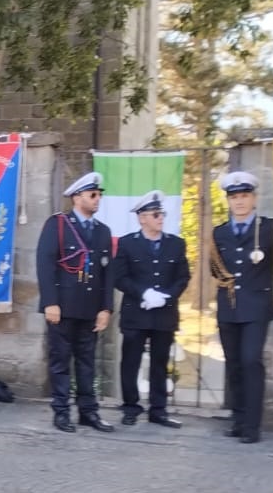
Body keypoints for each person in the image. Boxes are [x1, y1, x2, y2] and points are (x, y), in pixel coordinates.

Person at [35, 171, 115, 434]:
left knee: (87, 363)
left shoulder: (103, 231)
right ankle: (61, 412)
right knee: (60, 362)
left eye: (99, 195)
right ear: (77, 197)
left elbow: (107, 273)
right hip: (63, 307)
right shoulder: (58, 224)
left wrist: (106, 308)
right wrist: (50, 302)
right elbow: (45, 265)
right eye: (93, 195)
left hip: (89, 309)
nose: (97, 199)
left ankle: (88, 412)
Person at [109, 190, 189, 428]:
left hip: (164, 313)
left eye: (162, 214)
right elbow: (120, 278)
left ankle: (158, 409)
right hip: (136, 313)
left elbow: (183, 277)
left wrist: (167, 297)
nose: (160, 218)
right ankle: (131, 407)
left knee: (160, 363)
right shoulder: (127, 243)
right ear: (142, 218)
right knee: (130, 362)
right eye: (155, 214)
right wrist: (143, 293)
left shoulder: (176, 244)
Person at [209, 171, 273, 444]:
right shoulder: (220, 232)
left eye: (244, 196)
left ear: (254, 199)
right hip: (229, 307)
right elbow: (215, 268)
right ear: (228, 201)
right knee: (234, 364)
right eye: (234, 197)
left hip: (257, 306)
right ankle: (238, 420)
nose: (239, 201)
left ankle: (252, 425)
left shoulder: (269, 228)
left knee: (251, 361)